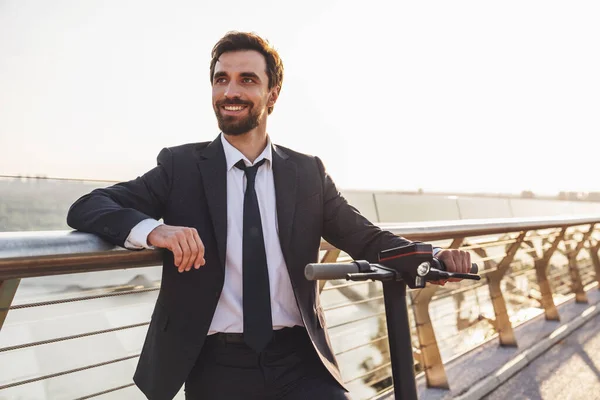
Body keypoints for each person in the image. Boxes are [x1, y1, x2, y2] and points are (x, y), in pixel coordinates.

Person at [66, 31, 472, 400]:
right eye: (221, 79)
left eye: (247, 80)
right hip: (215, 367)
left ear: (272, 94)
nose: (230, 91)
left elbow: (364, 238)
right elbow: (89, 206)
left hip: (300, 362)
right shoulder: (180, 167)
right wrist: (154, 230)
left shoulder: (306, 172)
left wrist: (433, 257)